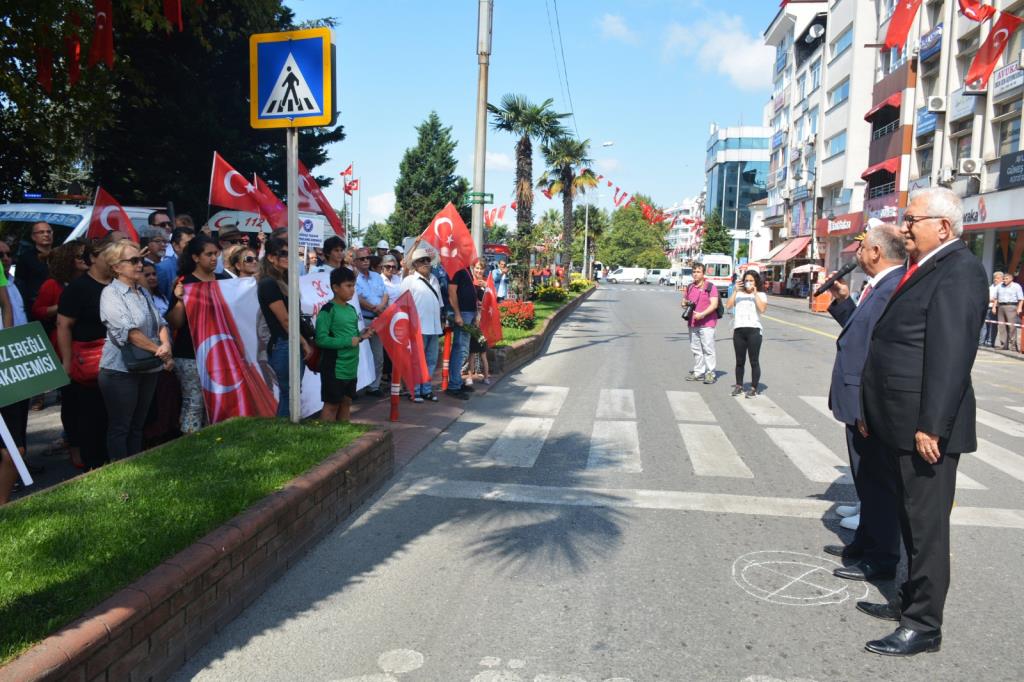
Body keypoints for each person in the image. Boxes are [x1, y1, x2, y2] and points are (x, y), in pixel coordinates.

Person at [858, 187, 989, 657]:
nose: (904, 227)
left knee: (926, 529)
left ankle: (924, 624)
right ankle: (908, 600)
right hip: (898, 420)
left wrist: (932, 424)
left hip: (925, 428)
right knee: (909, 521)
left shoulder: (960, 271)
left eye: (912, 220)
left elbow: (951, 355)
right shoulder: (927, 266)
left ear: (944, 227)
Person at [822, 223, 906, 581]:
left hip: (867, 402)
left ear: (876, 252)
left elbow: (880, 351)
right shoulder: (877, 286)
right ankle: (864, 543)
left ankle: (882, 557)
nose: (856, 254)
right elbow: (859, 333)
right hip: (858, 399)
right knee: (865, 479)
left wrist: (868, 406)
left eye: (862, 248)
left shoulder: (892, 286)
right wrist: (843, 302)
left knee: (877, 484)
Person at [98, 240, 173, 461]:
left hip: (148, 365)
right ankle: (120, 470)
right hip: (120, 370)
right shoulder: (110, 294)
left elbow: (160, 323)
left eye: (140, 259)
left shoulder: (143, 291)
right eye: (133, 261)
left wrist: (166, 345)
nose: (140, 264)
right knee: (121, 426)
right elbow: (129, 332)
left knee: (138, 425)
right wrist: (160, 350)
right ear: (116, 266)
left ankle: (137, 467)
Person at [165, 235, 232, 433]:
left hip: (219, 352)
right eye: (208, 254)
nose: (214, 258)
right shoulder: (185, 282)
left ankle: (211, 440)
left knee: (217, 400)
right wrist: (180, 301)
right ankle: (190, 443)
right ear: (195, 257)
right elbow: (175, 323)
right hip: (189, 354)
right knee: (194, 401)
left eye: (216, 254)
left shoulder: (224, 281)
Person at [57, 239, 113, 470]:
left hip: (118, 360)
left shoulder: (117, 284)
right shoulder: (78, 289)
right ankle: (95, 465)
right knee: (92, 416)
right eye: (107, 255)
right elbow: (64, 325)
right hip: (90, 364)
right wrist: (67, 362)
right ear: (92, 258)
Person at [258, 236, 310, 417]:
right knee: (290, 393)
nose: (289, 258)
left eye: (291, 254)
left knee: (292, 392)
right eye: (283, 254)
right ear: (271, 257)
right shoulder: (268, 283)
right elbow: (285, 320)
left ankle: (287, 429)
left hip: (288, 342)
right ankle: (284, 430)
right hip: (284, 343)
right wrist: (304, 342)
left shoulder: (284, 280)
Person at [315, 267, 374, 422]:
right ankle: (323, 435)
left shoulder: (351, 309)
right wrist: (349, 341)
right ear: (335, 287)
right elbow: (321, 339)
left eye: (353, 285)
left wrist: (362, 335)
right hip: (334, 367)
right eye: (348, 286)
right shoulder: (327, 310)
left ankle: (343, 433)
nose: (352, 290)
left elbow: (352, 337)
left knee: (346, 402)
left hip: (351, 367)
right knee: (332, 405)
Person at [400, 244, 443, 402]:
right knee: (417, 361)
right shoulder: (409, 281)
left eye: (427, 260)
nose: (426, 263)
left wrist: (441, 322)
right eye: (422, 260)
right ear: (415, 264)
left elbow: (439, 303)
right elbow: (402, 305)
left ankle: (426, 389)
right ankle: (415, 390)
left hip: (434, 327)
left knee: (431, 361)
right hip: (417, 328)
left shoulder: (435, 280)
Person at [726, 270, 767, 398]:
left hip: (754, 330)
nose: (748, 283)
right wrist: (735, 291)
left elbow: (762, 309)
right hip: (739, 330)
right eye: (746, 280)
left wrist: (755, 294)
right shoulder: (738, 294)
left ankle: (754, 388)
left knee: (754, 361)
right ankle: (739, 386)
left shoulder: (761, 294)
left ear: (756, 282)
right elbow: (728, 306)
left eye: (751, 281)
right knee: (739, 361)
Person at [354, 247, 388, 397]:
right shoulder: (354, 278)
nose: (365, 261)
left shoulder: (377, 276)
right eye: (362, 259)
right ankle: (355, 388)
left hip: (378, 320)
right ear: (355, 262)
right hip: (363, 321)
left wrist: (381, 307)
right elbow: (358, 298)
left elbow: (385, 294)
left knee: (378, 356)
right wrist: (375, 308)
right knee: (359, 356)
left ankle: (374, 387)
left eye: (367, 258)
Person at [681, 263, 719, 385]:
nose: (695, 274)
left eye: (698, 272)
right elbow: (683, 301)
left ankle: (710, 372)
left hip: (707, 323)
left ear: (703, 273)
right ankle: (698, 372)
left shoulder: (710, 287)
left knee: (708, 349)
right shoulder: (690, 287)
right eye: (694, 272)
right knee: (696, 349)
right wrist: (684, 304)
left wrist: (703, 314)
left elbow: (714, 304)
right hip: (692, 322)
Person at [446, 263, 478, 400]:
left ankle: (457, 381)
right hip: (463, 313)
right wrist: (457, 314)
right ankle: (454, 385)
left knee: (463, 350)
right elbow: (452, 291)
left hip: (469, 313)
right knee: (459, 350)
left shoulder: (466, 268)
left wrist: (475, 313)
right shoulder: (456, 268)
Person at [14, 221, 53, 322]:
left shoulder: (60, 256)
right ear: (33, 237)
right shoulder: (25, 258)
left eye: (49, 232)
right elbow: (20, 284)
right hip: (35, 309)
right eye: (41, 232)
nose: (46, 234)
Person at [466, 260, 491, 386]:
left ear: (484, 270)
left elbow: (492, 300)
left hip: (483, 323)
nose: (479, 271)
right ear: (473, 268)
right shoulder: (470, 282)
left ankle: (486, 377)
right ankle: (470, 377)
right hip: (472, 321)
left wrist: (487, 287)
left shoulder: (487, 283)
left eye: (481, 268)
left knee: (483, 353)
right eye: (477, 268)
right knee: (471, 352)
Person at [156, 226, 194, 299]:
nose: (194, 247)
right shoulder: (163, 268)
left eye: (195, 243)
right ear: (176, 246)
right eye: (188, 244)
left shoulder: (200, 264)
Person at [992, 271, 1023, 351]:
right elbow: (996, 298)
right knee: (1002, 326)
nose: (1004, 280)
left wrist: (1019, 308)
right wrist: (994, 307)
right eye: (1004, 279)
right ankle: (1003, 345)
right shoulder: (999, 286)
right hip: (1001, 306)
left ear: (1011, 279)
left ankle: (1013, 346)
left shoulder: (1016, 286)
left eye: (1006, 279)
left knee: (1011, 326)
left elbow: (1021, 299)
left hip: (1011, 306)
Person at [981, 271, 1002, 347]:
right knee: (985, 325)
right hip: (987, 307)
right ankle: (982, 341)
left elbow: (998, 299)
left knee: (992, 326)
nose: (995, 279)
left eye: (998, 278)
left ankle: (990, 342)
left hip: (995, 308)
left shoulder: (1001, 287)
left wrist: (991, 300)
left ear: (1001, 279)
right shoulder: (991, 287)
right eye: (994, 278)